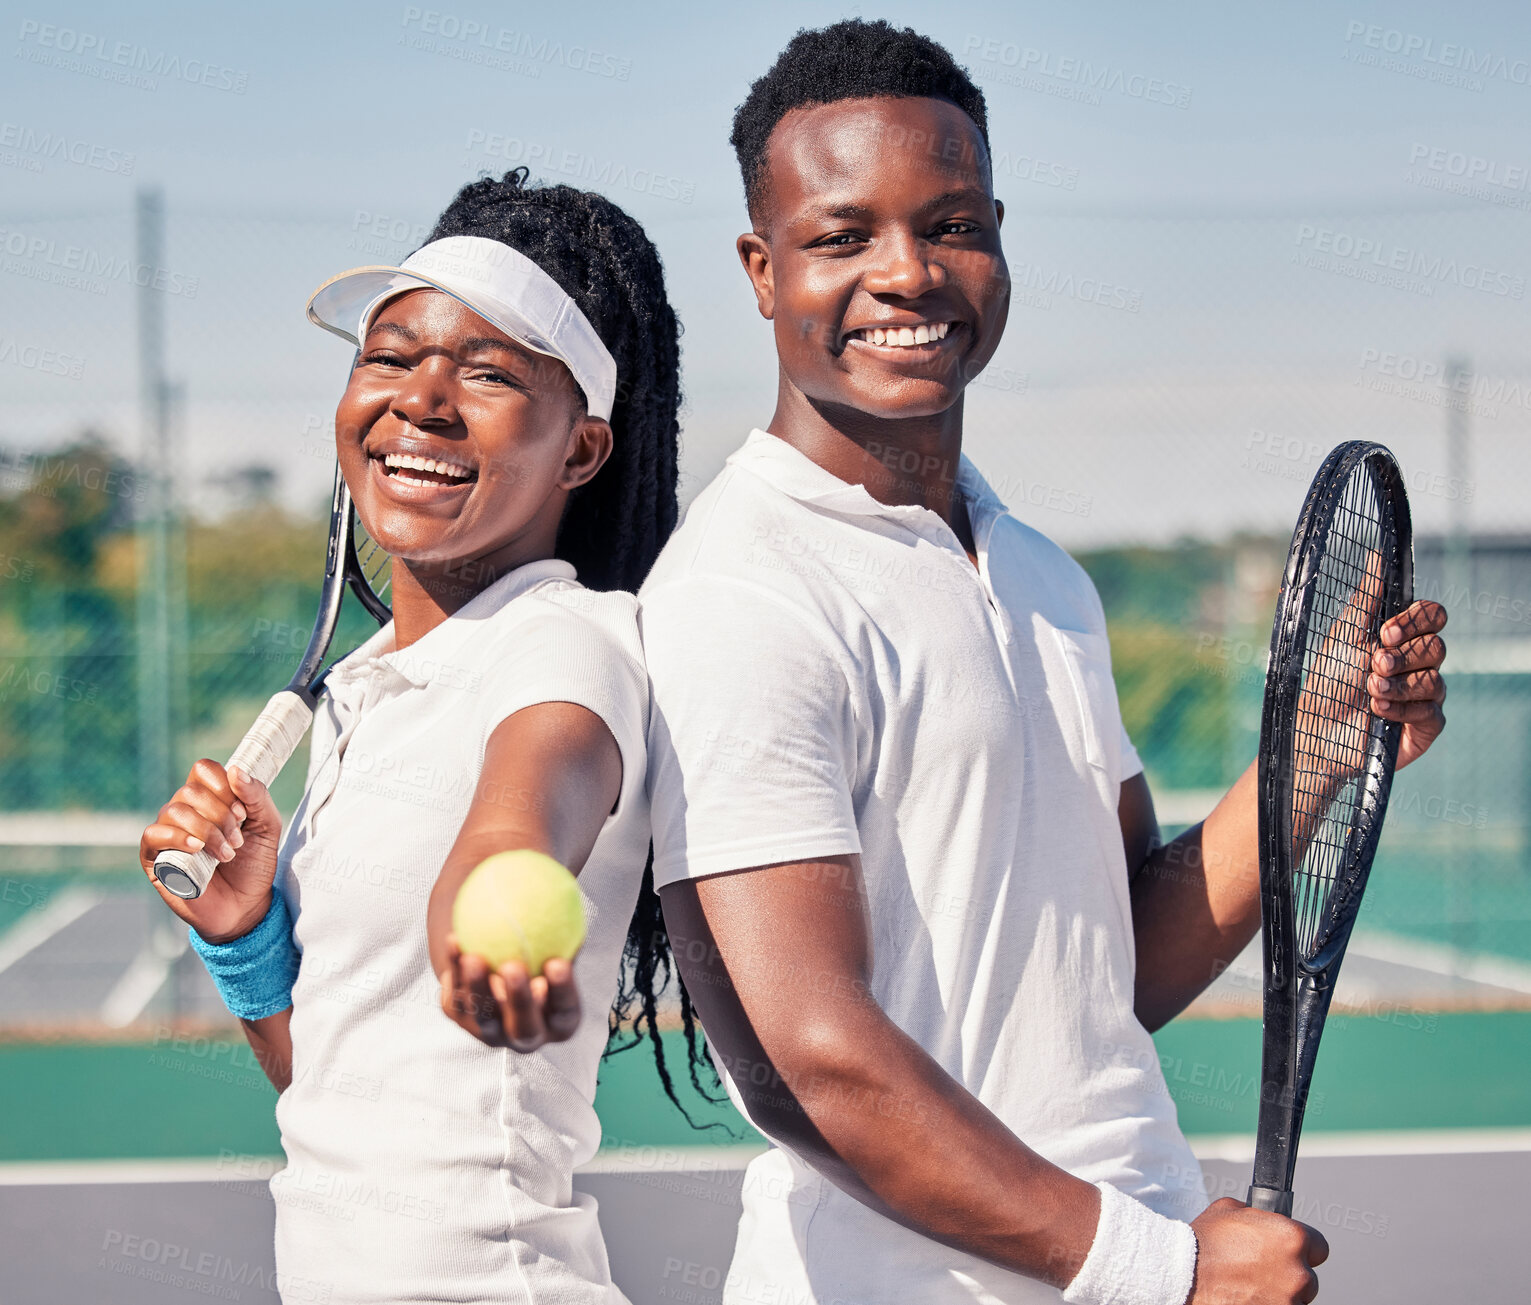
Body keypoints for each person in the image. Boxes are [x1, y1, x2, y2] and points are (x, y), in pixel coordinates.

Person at [639, 20, 1450, 1305]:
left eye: (950, 224)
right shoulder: (740, 589)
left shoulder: (1037, 573)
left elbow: (1108, 965)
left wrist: (1317, 755)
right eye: (842, 236)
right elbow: (805, 1062)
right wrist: (1154, 1267)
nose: (906, 273)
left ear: (1000, 238)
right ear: (760, 266)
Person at [139, 168, 689, 1304]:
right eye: (390, 358)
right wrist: (247, 945)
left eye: (488, 372)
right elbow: (336, 1107)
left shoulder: (571, 644)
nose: (422, 400)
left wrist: (499, 897)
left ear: (581, 451)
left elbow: (530, 806)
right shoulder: (365, 689)